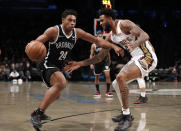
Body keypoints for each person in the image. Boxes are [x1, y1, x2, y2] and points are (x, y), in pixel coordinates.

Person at [64, 8, 157, 131]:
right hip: (136, 58)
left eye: (102, 21)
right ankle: (125, 113)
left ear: (110, 18)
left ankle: (127, 117)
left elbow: (145, 35)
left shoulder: (124, 24)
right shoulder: (110, 37)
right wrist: (80, 64)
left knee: (120, 77)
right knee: (116, 84)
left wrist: (135, 44)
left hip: (147, 56)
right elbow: (99, 57)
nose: (101, 23)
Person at [27, 9, 122, 129]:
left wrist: (113, 46)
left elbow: (97, 40)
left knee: (56, 95)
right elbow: (36, 42)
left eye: (74, 21)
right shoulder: (54, 31)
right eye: (70, 20)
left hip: (58, 66)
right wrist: (30, 47)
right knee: (62, 82)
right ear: (63, 20)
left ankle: (39, 111)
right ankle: (38, 114)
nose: (73, 23)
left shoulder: (77, 33)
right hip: (47, 63)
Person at [90, 30, 113, 97]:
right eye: (99, 36)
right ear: (96, 36)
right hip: (97, 63)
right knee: (97, 77)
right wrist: (91, 63)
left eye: (101, 36)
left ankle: (108, 91)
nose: (100, 37)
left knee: (107, 75)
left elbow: (108, 53)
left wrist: (109, 60)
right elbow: (91, 54)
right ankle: (98, 92)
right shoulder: (94, 45)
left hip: (105, 62)